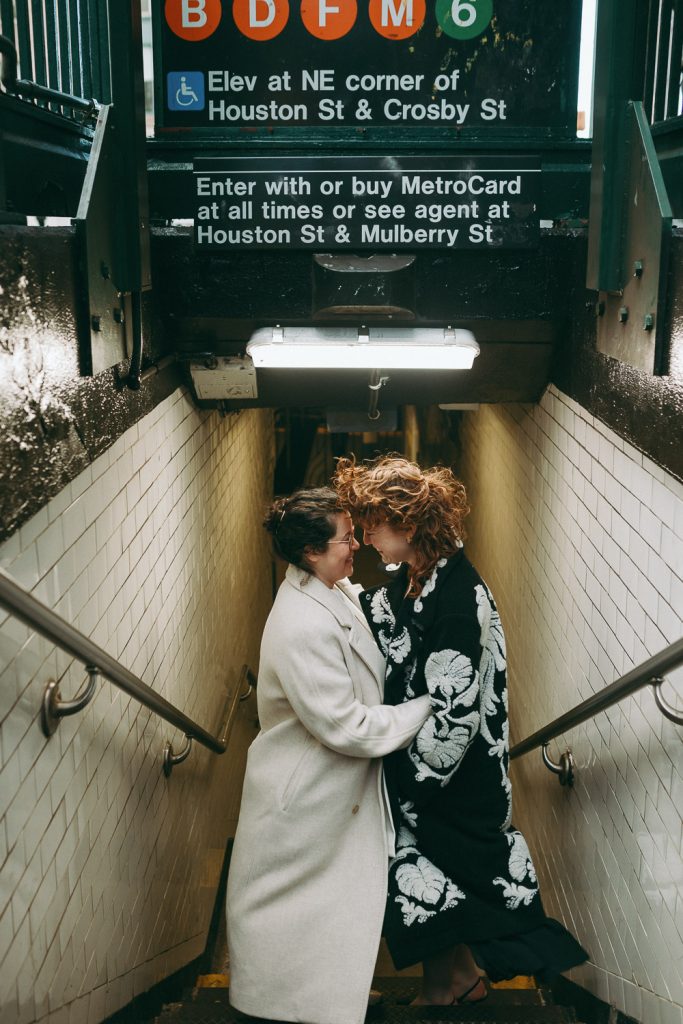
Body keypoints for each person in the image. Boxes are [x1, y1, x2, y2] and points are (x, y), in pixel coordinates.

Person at [334, 455, 588, 1006]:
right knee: (436, 878)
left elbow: (456, 710)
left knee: (445, 873)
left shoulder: (456, 596)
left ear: (406, 523)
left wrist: (410, 777)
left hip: (453, 774)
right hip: (441, 770)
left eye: (373, 524)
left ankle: (449, 984)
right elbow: (389, 611)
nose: (367, 535)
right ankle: (453, 981)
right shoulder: (426, 575)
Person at [226, 487, 433, 1024]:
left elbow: (366, 616)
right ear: (311, 551)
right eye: (346, 538)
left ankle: (327, 1001)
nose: (356, 545)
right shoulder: (300, 624)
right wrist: (426, 708)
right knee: (295, 912)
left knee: (329, 912)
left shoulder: (329, 588)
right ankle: (291, 1008)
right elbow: (347, 726)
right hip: (308, 793)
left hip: (331, 791)